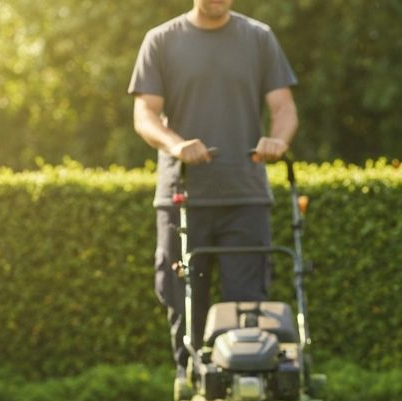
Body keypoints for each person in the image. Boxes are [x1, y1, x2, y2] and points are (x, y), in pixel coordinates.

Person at [128, 0, 298, 373]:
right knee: (185, 304)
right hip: (183, 197)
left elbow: (283, 107)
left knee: (246, 307)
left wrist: (278, 141)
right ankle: (190, 387)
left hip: (246, 196)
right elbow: (145, 114)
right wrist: (176, 145)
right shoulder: (161, 40)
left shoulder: (258, 38)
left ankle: (245, 391)